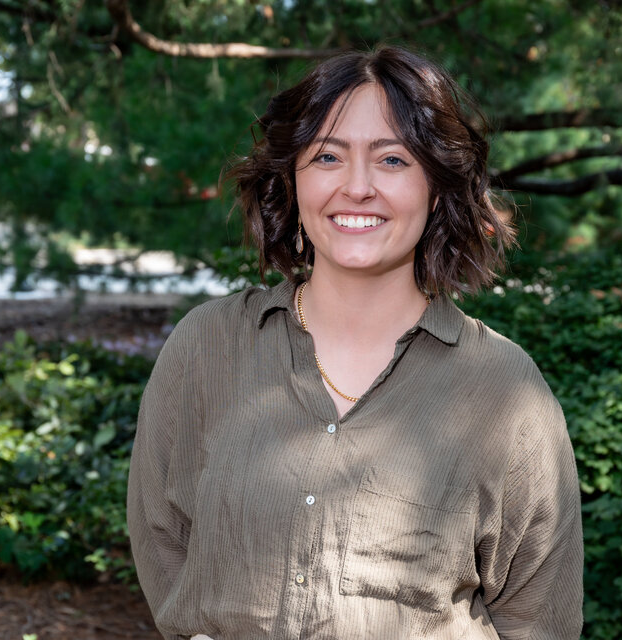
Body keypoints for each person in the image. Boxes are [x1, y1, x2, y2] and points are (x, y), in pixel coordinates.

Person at [127, 46, 583, 640]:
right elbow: (163, 546)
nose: (358, 187)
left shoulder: (506, 391)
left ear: (437, 188)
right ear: (291, 182)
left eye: (392, 159)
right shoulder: (207, 349)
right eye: (327, 157)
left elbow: (538, 618)